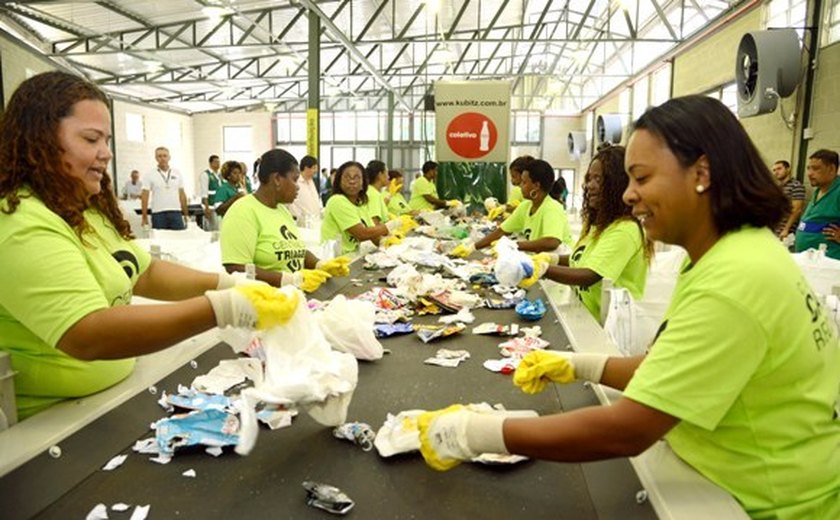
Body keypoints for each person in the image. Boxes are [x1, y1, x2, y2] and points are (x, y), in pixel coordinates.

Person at [416, 96, 840, 519]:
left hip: (768, 506)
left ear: (702, 172)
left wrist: (473, 432)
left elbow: (629, 430)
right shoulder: (736, 253)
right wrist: (578, 365)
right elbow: (668, 367)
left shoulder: (734, 279)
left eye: (641, 178)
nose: (630, 194)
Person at [0, 71, 300, 420]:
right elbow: (87, 333)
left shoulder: (86, 209)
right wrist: (221, 308)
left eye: (107, 141)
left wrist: (226, 283)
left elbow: (146, 273)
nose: (106, 154)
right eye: (91, 139)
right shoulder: (18, 221)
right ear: (41, 140)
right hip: (52, 424)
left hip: (114, 400)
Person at [529, 146, 650, 320]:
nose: (590, 186)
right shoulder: (597, 225)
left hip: (606, 327)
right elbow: (581, 259)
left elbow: (590, 275)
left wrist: (541, 269)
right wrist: (552, 258)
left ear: (620, 184)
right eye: (589, 178)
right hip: (583, 314)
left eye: (598, 180)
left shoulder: (625, 230)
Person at [220, 149, 349, 292]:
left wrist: (319, 265)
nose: (298, 186)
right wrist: (288, 280)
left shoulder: (282, 211)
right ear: (276, 179)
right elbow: (236, 269)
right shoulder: (242, 212)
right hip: (265, 302)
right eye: (294, 179)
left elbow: (294, 249)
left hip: (292, 296)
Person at [460, 159, 572, 256]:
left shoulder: (552, 208)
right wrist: (473, 247)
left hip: (561, 266)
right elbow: (501, 231)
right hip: (542, 263)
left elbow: (551, 242)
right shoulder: (526, 207)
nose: (520, 186)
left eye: (524, 182)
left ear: (536, 186)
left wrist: (514, 245)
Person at [321, 161, 398, 253]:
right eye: (347, 177)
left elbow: (373, 235)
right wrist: (394, 224)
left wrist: (387, 243)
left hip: (351, 255)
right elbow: (362, 233)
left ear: (363, 183)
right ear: (339, 182)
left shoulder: (361, 204)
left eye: (357, 177)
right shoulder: (337, 201)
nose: (352, 181)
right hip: (335, 258)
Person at [794, 149, 840, 259]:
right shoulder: (819, 190)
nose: (809, 173)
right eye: (808, 168)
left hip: (830, 264)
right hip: (810, 262)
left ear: (832, 169)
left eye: (816, 168)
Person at [140, 146, 189, 230]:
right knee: (161, 240)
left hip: (175, 212)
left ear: (169, 157)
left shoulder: (177, 173)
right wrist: (144, 216)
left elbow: (182, 194)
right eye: (159, 156)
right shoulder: (149, 174)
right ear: (156, 158)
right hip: (158, 213)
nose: (162, 158)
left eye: (165, 156)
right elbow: (145, 196)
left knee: (179, 239)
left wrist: (186, 214)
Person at [771, 159, 805, 240]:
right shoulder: (777, 188)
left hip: (786, 231)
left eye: (779, 169)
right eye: (774, 170)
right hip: (775, 228)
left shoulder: (796, 186)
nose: (776, 172)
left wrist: (786, 229)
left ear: (788, 169)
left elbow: (797, 209)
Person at [288, 155, 322, 225]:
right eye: (314, 168)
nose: (316, 171)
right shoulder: (295, 182)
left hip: (314, 221)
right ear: (306, 168)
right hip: (301, 223)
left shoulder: (311, 181)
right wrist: (298, 216)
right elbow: (290, 203)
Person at [198, 155, 222, 231]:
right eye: (215, 162)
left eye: (218, 162)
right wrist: (207, 208)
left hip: (218, 206)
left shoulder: (219, 175)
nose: (218, 164)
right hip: (210, 207)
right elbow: (204, 193)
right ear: (210, 163)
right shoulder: (205, 175)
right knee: (212, 228)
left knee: (219, 228)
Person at [364, 159, 390, 224]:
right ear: (380, 175)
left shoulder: (369, 190)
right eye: (387, 173)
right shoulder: (374, 194)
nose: (388, 177)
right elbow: (374, 222)